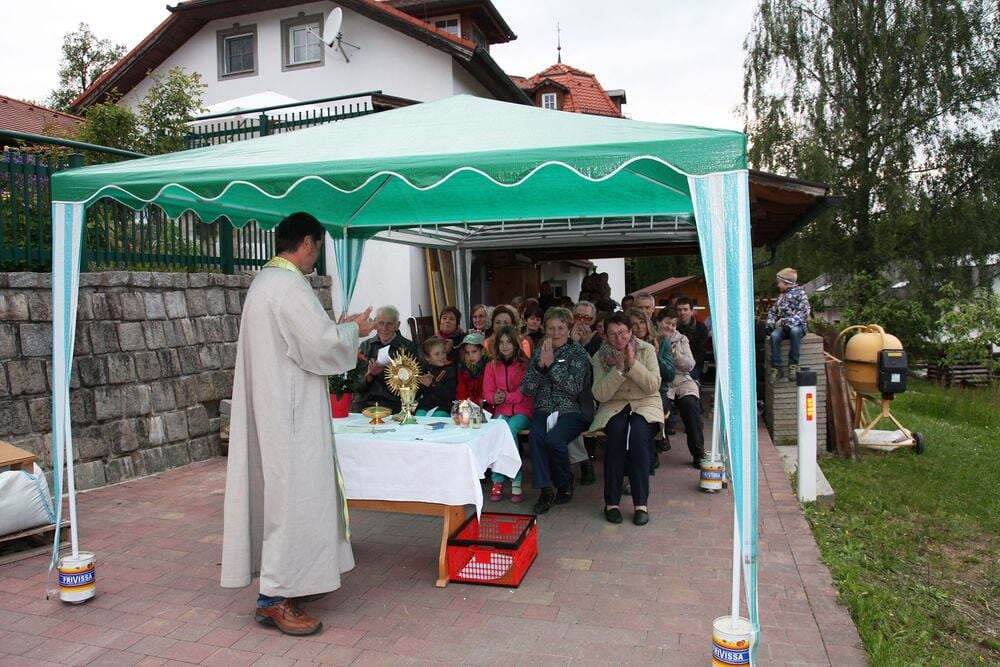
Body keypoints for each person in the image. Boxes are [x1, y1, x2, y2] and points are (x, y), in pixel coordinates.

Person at [222, 212, 376, 636]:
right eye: (318, 247)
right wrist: (354, 332)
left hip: (276, 406)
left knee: (285, 499)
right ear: (308, 242)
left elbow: (310, 337)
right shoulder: (289, 286)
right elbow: (320, 346)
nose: (317, 257)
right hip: (291, 414)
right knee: (292, 501)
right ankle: (275, 598)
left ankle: (289, 583)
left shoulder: (264, 282)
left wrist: (341, 329)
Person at [591, 314, 663, 526]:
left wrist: (632, 364)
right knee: (616, 435)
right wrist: (619, 369)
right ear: (605, 336)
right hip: (614, 405)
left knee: (639, 436)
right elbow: (600, 394)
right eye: (612, 334)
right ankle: (611, 503)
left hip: (645, 403)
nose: (618, 338)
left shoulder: (646, 349)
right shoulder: (600, 356)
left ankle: (641, 504)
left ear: (631, 332)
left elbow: (653, 385)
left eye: (622, 332)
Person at [520, 307, 593, 514]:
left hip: (572, 410)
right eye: (551, 328)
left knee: (554, 440)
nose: (555, 332)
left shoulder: (578, 353)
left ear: (569, 329)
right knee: (536, 437)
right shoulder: (539, 352)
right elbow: (527, 389)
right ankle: (545, 490)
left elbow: (575, 387)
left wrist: (552, 366)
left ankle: (564, 482)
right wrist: (539, 367)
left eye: (560, 328)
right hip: (544, 407)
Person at [483, 327, 533, 503]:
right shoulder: (491, 365)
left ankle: (515, 478)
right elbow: (487, 391)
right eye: (501, 342)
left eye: (509, 342)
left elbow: (525, 392)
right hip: (501, 410)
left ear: (516, 344)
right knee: (497, 432)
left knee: (509, 431)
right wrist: (494, 398)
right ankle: (497, 480)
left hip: (523, 410)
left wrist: (506, 396)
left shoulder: (524, 364)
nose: (505, 346)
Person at [627, 307, 674, 471]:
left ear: (648, 323)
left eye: (642, 322)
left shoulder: (661, 340)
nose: (639, 327)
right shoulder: (624, 342)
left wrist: (656, 355)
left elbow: (670, 374)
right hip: (631, 391)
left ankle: (650, 453)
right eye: (633, 324)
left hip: (657, 391)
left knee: (646, 416)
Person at [659, 309, 705, 467]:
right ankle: (656, 448)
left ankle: (698, 452)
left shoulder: (681, 339)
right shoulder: (652, 338)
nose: (670, 327)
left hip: (682, 380)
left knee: (691, 405)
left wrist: (675, 355)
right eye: (667, 323)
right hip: (661, 382)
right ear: (658, 322)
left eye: (673, 325)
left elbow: (690, 365)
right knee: (658, 407)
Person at [357, 305, 418, 413]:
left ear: (397, 325)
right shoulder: (365, 346)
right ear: (375, 324)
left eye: (389, 324)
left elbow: (415, 383)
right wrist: (370, 375)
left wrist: (394, 372)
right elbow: (356, 385)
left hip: (395, 404)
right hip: (366, 403)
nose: (384, 328)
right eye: (381, 323)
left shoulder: (409, 348)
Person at [766, 267, 811, 381]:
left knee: (794, 332)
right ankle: (777, 367)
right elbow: (773, 311)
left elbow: (804, 312)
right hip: (783, 327)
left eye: (779, 282)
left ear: (786, 283)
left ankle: (793, 365)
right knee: (774, 336)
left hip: (798, 326)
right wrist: (770, 323)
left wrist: (789, 322)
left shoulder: (801, 293)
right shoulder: (782, 296)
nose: (778, 285)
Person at [416, 338, 456, 417]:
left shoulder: (450, 369)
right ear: (427, 357)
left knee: (437, 417)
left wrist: (432, 384)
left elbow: (449, 394)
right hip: (426, 406)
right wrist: (422, 384)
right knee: (418, 417)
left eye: (443, 352)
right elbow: (416, 394)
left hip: (444, 407)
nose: (442, 356)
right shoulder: (423, 369)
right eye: (437, 354)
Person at [675, 296, 709, 381]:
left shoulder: (701, 328)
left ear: (691, 311)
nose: (682, 312)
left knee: (688, 379)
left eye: (685, 309)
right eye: (679, 310)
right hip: (675, 364)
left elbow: (701, 351)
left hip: (694, 364)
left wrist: (688, 364)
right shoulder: (672, 327)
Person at [455, 333, 487, 405]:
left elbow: (488, 391)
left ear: (482, 351)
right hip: (467, 406)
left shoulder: (489, 367)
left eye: (474, 351)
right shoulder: (462, 368)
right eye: (467, 352)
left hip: (485, 406)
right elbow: (461, 390)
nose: (471, 356)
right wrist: (464, 403)